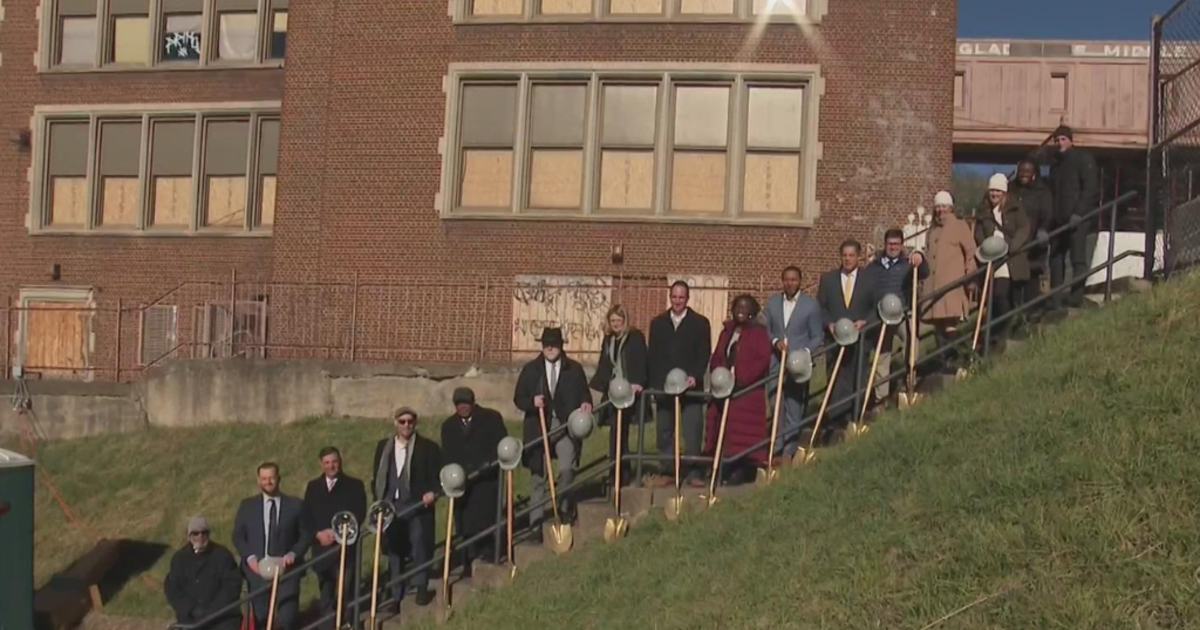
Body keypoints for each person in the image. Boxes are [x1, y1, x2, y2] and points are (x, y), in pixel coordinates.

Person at [513, 327, 593, 541]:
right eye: (546, 344)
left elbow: (585, 394)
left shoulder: (573, 369)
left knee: (567, 470)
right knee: (538, 478)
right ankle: (536, 524)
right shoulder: (531, 370)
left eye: (554, 344)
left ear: (561, 345)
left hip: (565, 426)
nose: (550, 348)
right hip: (539, 428)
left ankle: (565, 509)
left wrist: (586, 402)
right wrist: (532, 402)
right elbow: (518, 398)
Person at [371, 407, 440, 610]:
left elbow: (437, 477)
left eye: (410, 421)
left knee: (419, 544)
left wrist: (432, 493)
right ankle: (396, 594)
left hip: (416, 505)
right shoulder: (383, 447)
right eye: (402, 421)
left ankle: (420, 587)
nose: (406, 425)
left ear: (415, 423)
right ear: (395, 423)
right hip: (391, 506)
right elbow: (378, 476)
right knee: (394, 551)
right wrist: (379, 500)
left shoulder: (428, 447)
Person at [647, 281, 712, 488]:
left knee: (692, 431)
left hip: (691, 387)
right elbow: (653, 356)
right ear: (670, 297)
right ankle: (667, 470)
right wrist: (657, 385)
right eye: (674, 297)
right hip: (665, 388)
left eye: (681, 297)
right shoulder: (658, 323)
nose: (677, 301)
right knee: (664, 431)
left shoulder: (700, 323)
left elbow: (703, 353)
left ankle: (694, 472)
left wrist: (695, 375)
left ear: (687, 298)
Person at [231, 463, 310, 630]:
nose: (268, 482)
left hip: (286, 571)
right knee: (262, 620)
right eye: (264, 478)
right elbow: (238, 535)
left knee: (289, 618)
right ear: (258, 481)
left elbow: (305, 534)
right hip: (258, 572)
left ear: (278, 478)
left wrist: (293, 553)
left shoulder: (295, 505)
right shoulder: (247, 506)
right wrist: (250, 558)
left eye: (271, 478)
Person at [703, 295, 771, 483]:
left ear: (752, 311)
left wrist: (741, 379)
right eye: (738, 306)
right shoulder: (727, 331)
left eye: (745, 307)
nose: (741, 310)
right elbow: (718, 355)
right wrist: (719, 375)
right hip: (724, 390)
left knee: (742, 434)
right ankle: (720, 467)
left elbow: (762, 360)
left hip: (746, 393)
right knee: (720, 430)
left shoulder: (759, 333)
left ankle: (742, 470)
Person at [440, 387, 507, 575]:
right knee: (465, 523)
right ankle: (467, 559)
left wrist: (489, 464)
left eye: (466, 404)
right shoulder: (448, 426)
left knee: (486, 518)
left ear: (473, 403)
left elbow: (502, 445)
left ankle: (488, 552)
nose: (463, 407)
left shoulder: (491, 419)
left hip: (485, 479)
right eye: (459, 404)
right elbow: (446, 454)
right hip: (463, 483)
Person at [816, 239, 879, 438]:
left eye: (852, 255)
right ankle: (835, 418)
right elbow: (821, 307)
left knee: (856, 376)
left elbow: (876, 306)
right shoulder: (828, 279)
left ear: (858, 257)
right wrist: (829, 324)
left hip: (860, 337)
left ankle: (854, 416)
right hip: (835, 338)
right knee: (835, 377)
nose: (848, 259)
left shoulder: (870, 279)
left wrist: (865, 322)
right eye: (844, 255)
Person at [762, 266, 823, 461]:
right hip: (776, 362)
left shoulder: (810, 305)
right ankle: (776, 446)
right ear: (782, 281)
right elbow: (765, 329)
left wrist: (804, 354)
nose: (790, 283)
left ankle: (789, 449)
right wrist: (774, 342)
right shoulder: (772, 303)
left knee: (794, 406)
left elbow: (817, 336)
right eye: (787, 279)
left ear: (800, 281)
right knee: (776, 404)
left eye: (794, 279)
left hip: (798, 365)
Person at [302, 447, 366, 630]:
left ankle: (347, 623)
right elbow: (307, 516)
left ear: (340, 461)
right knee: (326, 591)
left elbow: (359, 513)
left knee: (346, 590)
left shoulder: (354, 485)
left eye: (334, 461)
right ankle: (327, 625)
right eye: (327, 463)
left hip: (345, 548)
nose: (331, 466)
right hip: (322, 548)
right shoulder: (313, 487)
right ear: (321, 465)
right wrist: (318, 534)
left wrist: (338, 533)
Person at [863, 229, 929, 406]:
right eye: (890, 244)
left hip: (904, 313)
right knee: (882, 357)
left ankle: (910, 382)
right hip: (881, 316)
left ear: (901, 245)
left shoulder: (908, 264)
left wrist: (919, 257)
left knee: (911, 341)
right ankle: (880, 397)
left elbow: (924, 272)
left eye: (896, 244)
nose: (893, 247)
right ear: (885, 245)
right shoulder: (873, 267)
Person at [589, 305, 648, 487]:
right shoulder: (609, 340)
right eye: (612, 321)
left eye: (618, 321)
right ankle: (616, 472)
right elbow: (604, 364)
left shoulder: (635, 337)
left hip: (630, 391)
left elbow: (641, 360)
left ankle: (622, 473)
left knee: (621, 432)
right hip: (614, 391)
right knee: (615, 433)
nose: (615, 324)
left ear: (625, 321)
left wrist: (639, 382)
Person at [921, 191, 977, 373]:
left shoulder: (960, 226)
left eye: (944, 206)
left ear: (951, 207)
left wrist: (970, 278)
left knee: (950, 323)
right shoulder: (932, 231)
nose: (940, 210)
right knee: (938, 325)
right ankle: (944, 362)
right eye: (938, 206)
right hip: (934, 285)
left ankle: (960, 359)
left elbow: (970, 253)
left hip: (952, 283)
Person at [1047, 125, 1099, 310]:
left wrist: (1079, 212)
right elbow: (1051, 194)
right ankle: (1056, 298)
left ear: (1070, 140)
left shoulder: (1082, 158)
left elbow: (1090, 187)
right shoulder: (1055, 166)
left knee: (1078, 257)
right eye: (1057, 140)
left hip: (1078, 218)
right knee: (1055, 259)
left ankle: (1076, 296)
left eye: (1063, 139)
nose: (1060, 143)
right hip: (1058, 220)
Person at [974, 174, 1031, 342]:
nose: (994, 194)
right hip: (993, 259)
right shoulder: (983, 212)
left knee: (1004, 295)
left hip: (1010, 258)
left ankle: (1005, 328)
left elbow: (1024, 228)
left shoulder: (1015, 208)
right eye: (992, 190)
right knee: (995, 297)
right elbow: (978, 233)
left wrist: (1013, 246)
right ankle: (996, 331)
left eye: (998, 191)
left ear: (1004, 192)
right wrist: (986, 245)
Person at [164, 516, 242, 630]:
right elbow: (173, 589)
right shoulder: (179, 559)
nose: (200, 537)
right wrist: (191, 609)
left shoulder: (222, 555)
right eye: (195, 533)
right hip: (191, 619)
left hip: (222, 618)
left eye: (204, 533)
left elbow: (232, 586)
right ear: (189, 536)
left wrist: (212, 610)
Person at [1012, 159, 1054, 318]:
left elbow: (1047, 212)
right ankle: (1015, 313)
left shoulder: (1043, 192)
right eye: (1021, 171)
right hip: (1015, 240)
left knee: (1032, 276)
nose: (1024, 174)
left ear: (1034, 174)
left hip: (1034, 240)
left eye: (1028, 171)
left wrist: (1043, 229)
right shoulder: (1012, 189)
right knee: (1015, 277)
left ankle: (1031, 313)